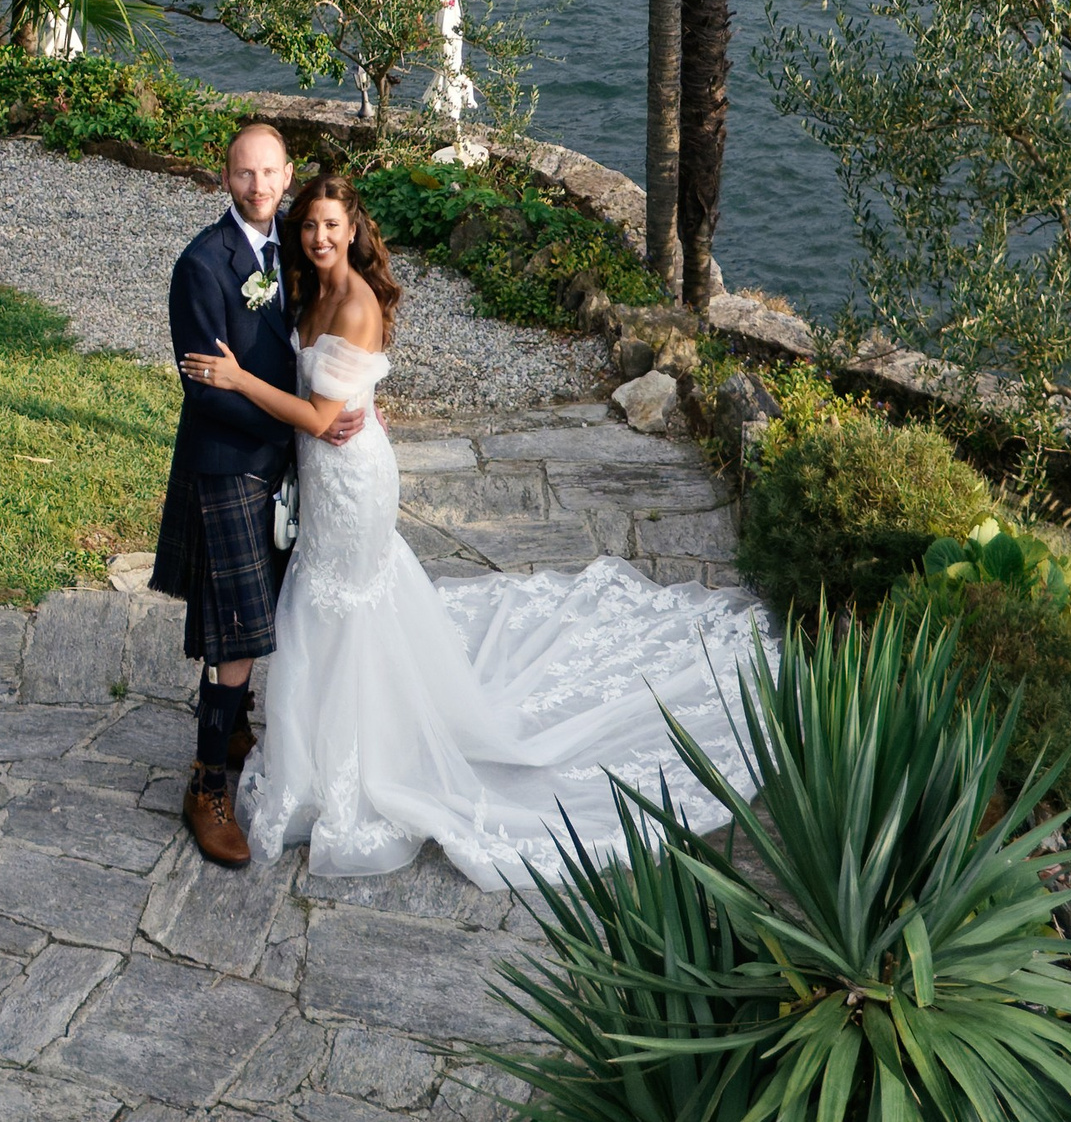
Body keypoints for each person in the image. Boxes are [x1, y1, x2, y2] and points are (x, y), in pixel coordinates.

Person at [180, 166, 769, 889]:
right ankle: (318, 754)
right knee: (323, 604)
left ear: (355, 228)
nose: (318, 236)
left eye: (332, 225)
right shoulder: (309, 287)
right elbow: (326, 389)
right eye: (309, 225)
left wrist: (239, 379)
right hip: (323, 473)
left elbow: (321, 417)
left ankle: (355, 767)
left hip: (351, 480)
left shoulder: (356, 303)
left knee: (336, 605)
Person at [149, 118, 364, 867]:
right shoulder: (202, 266)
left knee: (270, 607)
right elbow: (207, 391)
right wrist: (303, 427)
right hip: (231, 462)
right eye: (245, 174)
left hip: (283, 462)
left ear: (286, 173)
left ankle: (234, 723)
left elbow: (329, 347)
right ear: (224, 179)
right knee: (238, 632)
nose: (260, 186)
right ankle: (205, 784)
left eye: (271, 173)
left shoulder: (296, 252)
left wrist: (340, 403)